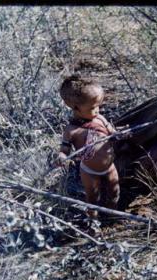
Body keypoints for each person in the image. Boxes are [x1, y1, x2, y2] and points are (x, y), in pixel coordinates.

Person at [55, 75, 120, 221]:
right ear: (75, 107)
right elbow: (64, 149)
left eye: (98, 106)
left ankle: (113, 216)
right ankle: (93, 223)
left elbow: (112, 133)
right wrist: (62, 156)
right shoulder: (72, 130)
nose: (97, 110)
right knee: (92, 198)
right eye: (92, 107)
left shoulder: (100, 119)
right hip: (89, 171)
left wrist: (120, 134)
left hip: (109, 166)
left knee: (114, 190)